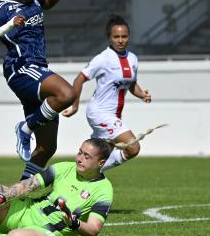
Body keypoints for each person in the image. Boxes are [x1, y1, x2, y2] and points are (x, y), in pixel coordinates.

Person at [0, 0, 76, 179]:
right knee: (66, 94)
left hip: (38, 69)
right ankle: (25, 128)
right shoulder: (3, 10)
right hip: (21, 68)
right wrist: (8, 26)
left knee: (47, 148)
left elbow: (46, 1)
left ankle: (20, 196)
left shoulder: (35, 0)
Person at [62, 15, 152, 171]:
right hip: (100, 113)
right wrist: (75, 107)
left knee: (99, 155)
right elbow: (79, 80)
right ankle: (94, 171)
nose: (120, 40)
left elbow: (131, 85)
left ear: (129, 37)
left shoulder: (133, 59)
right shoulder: (103, 59)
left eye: (124, 36)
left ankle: (78, 175)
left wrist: (142, 95)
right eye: (116, 36)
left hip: (114, 115)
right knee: (133, 147)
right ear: (109, 38)